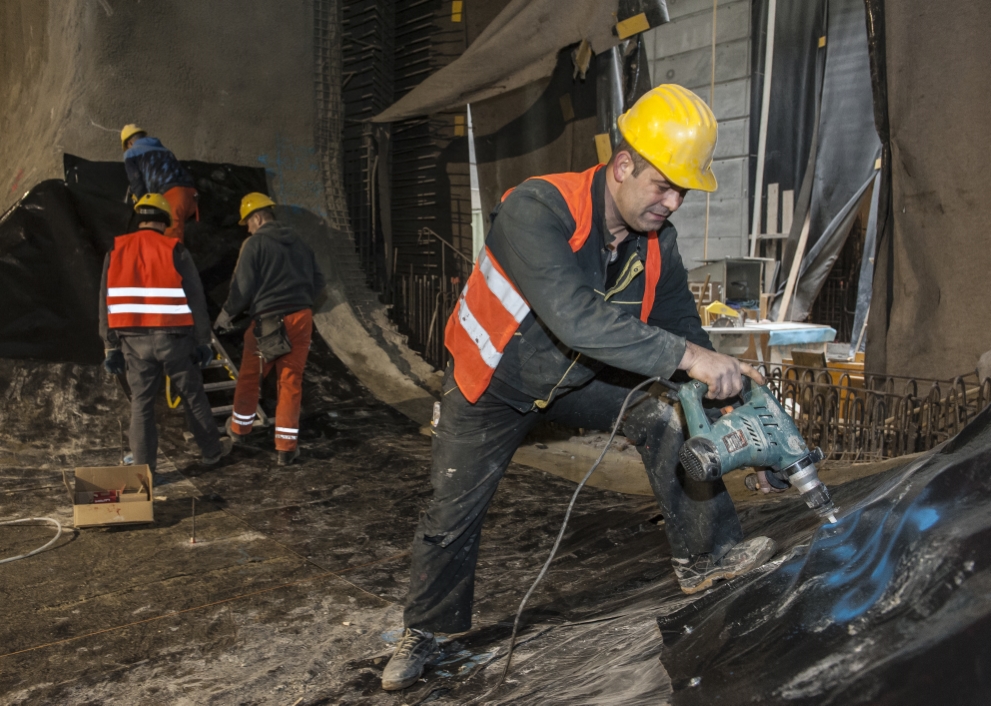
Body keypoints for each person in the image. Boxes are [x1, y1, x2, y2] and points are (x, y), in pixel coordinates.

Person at [380, 84, 775, 691]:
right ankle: (425, 631)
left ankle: (710, 560)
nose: (672, 202)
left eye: (681, 191)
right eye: (662, 185)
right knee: (453, 508)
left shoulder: (655, 243)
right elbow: (574, 316)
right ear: (622, 166)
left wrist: (724, 390)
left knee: (668, 414)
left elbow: (677, 323)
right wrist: (689, 357)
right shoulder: (537, 208)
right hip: (490, 381)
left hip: (574, 378)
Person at [100, 194, 232, 471]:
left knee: (142, 404)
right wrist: (203, 340)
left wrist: (109, 345)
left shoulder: (115, 250)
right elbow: (195, 299)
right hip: (174, 340)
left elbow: (105, 300)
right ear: (165, 220)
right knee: (193, 396)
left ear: (140, 218)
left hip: (133, 343)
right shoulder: (175, 250)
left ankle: (144, 469)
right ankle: (211, 452)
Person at [214, 193, 326, 466]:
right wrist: (306, 309)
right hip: (302, 318)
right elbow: (320, 285)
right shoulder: (300, 243)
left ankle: (240, 430)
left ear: (257, 217)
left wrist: (224, 317)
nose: (249, 229)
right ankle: (286, 449)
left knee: (251, 377)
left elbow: (242, 288)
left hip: (268, 322)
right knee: (290, 382)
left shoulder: (255, 244)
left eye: (248, 223)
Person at [120, 124, 198, 242]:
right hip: (191, 197)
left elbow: (136, 180)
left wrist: (144, 203)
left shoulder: (131, 153)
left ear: (129, 143)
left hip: (171, 196)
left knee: (169, 243)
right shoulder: (165, 150)